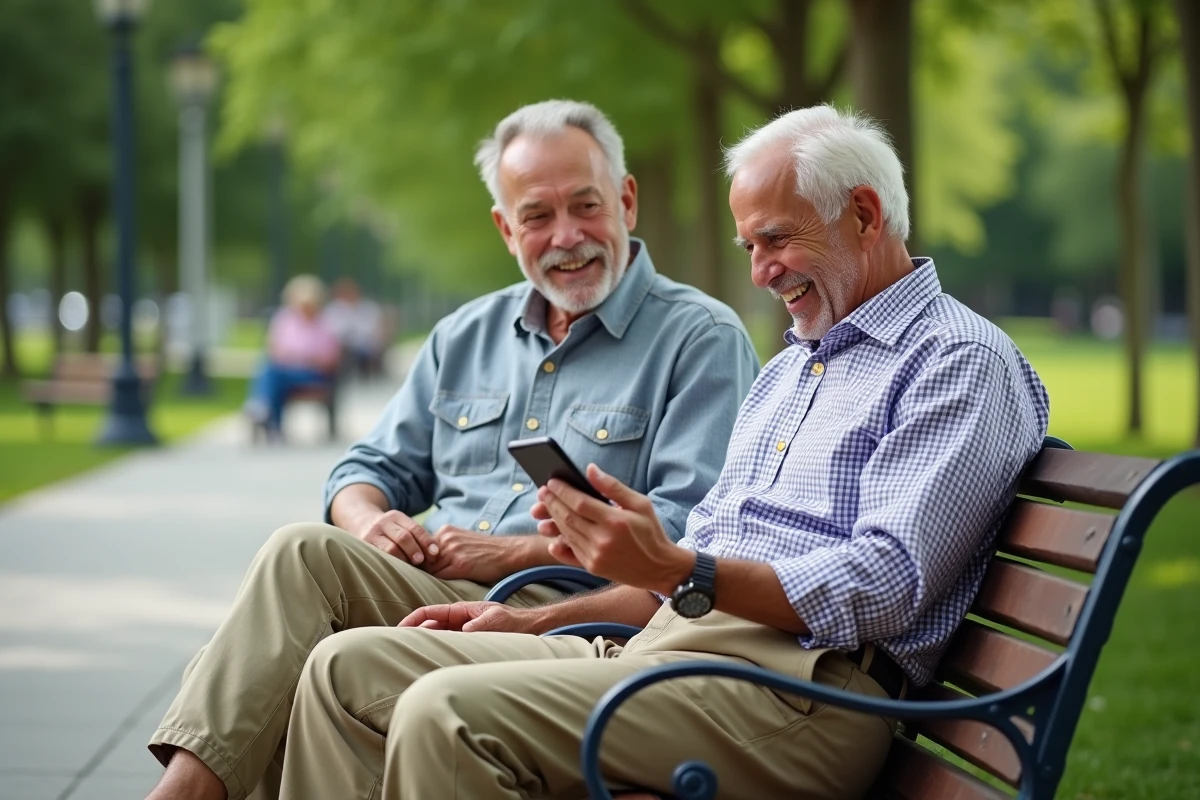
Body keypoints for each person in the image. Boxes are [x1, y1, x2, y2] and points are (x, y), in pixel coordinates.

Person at [189, 104, 1049, 800]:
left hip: (804, 692)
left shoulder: (956, 362)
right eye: (748, 245)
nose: (758, 271)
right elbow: (695, 569)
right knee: (346, 667)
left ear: (863, 214)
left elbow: (882, 585)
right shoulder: (798, 367)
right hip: (677, 650)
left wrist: (678, 569)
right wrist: (533, 621)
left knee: (442, 712)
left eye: (776, 240)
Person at [144, 100, 759, 799]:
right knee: (302, 552)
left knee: (304, 666)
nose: (566, 236)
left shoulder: (701, 339)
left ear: (626, 200)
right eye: (536, 216)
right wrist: (372, 521)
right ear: (505, 229)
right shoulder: (464, 334)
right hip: (436, 587)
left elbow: (687, 539)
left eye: (585, 206)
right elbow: (364, 471)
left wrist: (515, 553)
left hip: (575, 615)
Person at [243, 275, 341, 437]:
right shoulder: (284, 319)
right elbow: (274, 350)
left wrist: (303, 357)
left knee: (270, 373)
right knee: (272, 373)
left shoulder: (326, 323)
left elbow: (330, 359)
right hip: (285, 370)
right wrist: (296, 357)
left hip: (313, 374)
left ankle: (260, 408)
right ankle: (270, 419)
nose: (305, 308)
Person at [321, 277, 388, 377]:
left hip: (366, 344)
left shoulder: (369, 308)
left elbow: (375, 329)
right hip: (343, 346)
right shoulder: (333, 310)